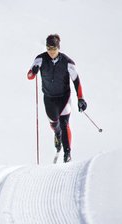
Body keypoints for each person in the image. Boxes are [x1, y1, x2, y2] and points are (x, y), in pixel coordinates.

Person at [27, 34, 87, 163]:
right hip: (49, 98)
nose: (51, 52)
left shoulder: (67, 62)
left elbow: (76, 80)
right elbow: (30, 76)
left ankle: (67, 153)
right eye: (49, 49)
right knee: (55, 124)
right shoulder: (40, 59)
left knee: (64, 123)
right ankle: (57, 135)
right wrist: (34, 70)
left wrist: (80, 98)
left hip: (64, 97)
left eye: (54, 49)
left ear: (58, 48)